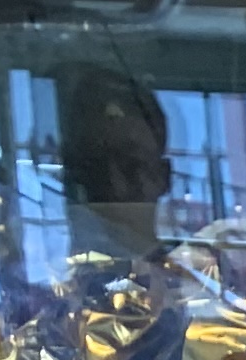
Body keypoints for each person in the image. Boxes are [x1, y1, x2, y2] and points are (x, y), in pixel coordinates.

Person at [60, 65, 169, 263]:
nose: (115, 185)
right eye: (96, 169)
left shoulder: (204, 276)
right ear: (74, 177)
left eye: (131, 166)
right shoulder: (42, 279)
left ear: (164, 176)